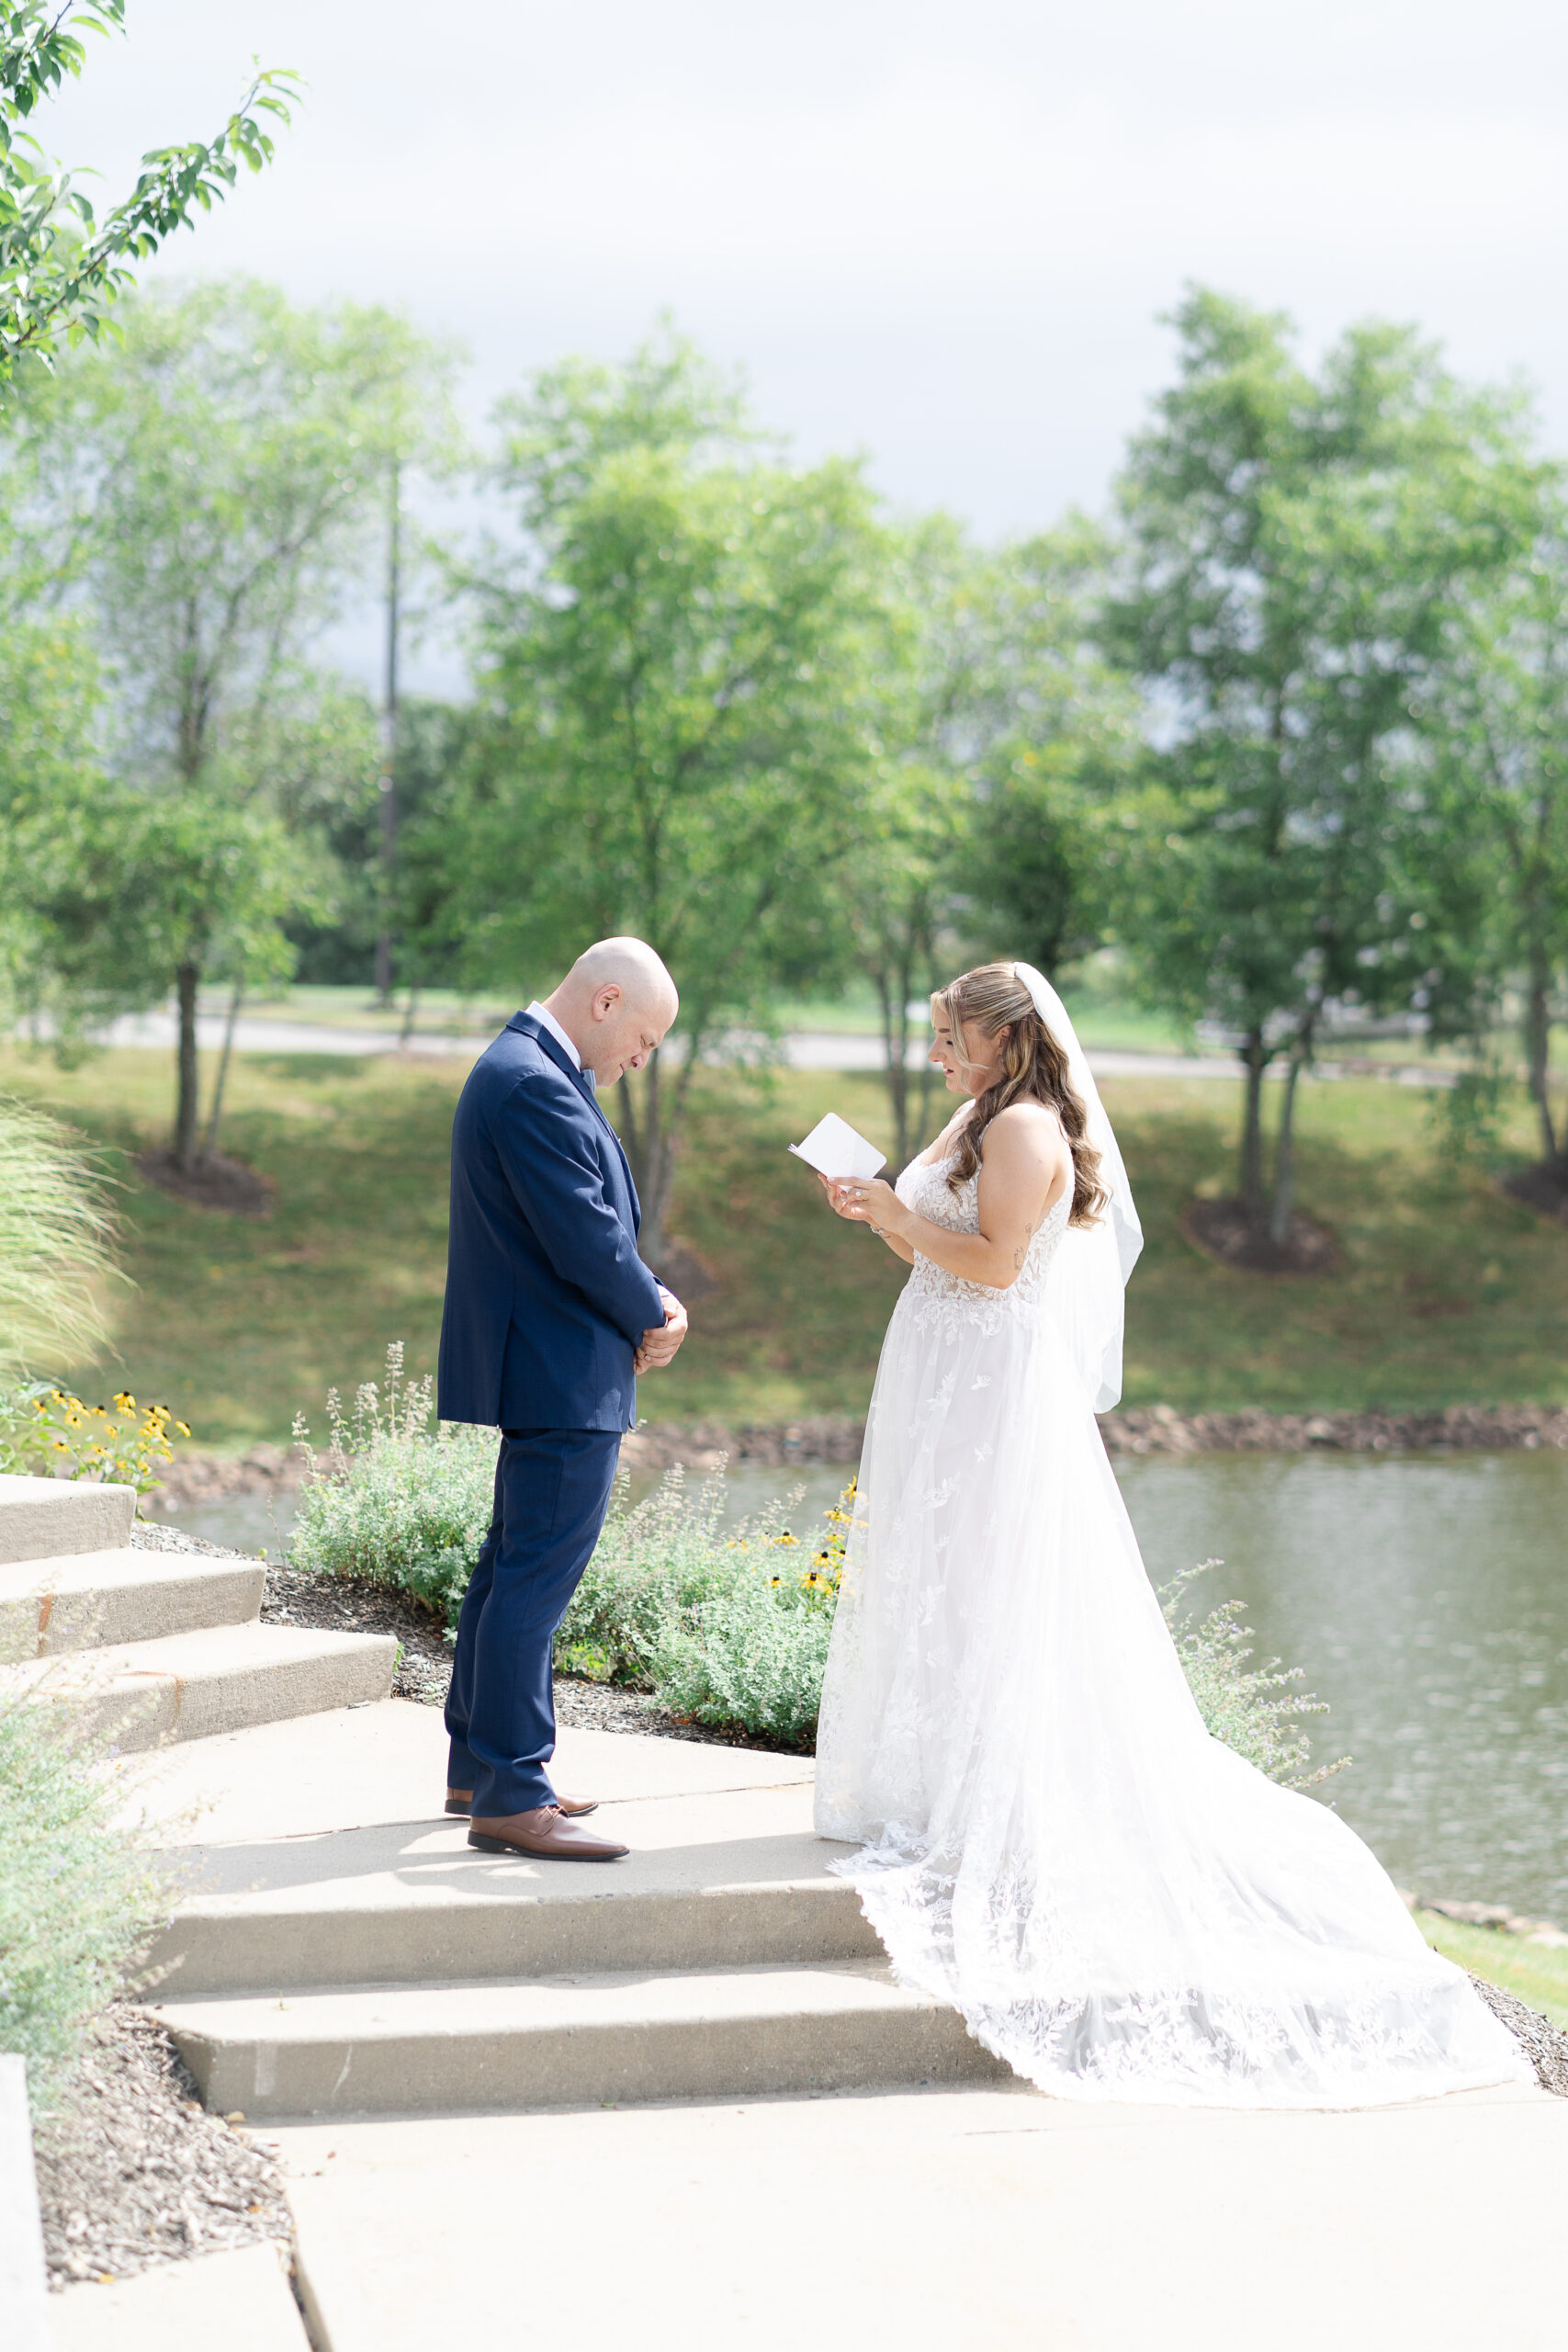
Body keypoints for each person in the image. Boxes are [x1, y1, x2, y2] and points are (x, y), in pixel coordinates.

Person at [811, 959, 1528, 2106]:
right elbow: (937, 1248)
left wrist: (904, 1213)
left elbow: (997, 1267)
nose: (939, 1050)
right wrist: (881, 1217)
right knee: (945, 1580)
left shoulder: (1029, 1129)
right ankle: (950, 1781)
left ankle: (1018, 1810)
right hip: (946, 1378)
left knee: (998, 1586)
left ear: (1006, 1038)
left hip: (996, 1386)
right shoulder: (977, 1117)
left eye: (953, 1035)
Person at [438, 938, 687, 1860]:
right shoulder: (533, 1080)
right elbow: (584, 1236)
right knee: (532, 1585)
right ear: (606, 999)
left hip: (547, 1365)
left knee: (512, 1570)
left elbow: (584, 1222)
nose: (641, 1057)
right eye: (646, 1036)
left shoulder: (525, 1067)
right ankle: (511, 1790)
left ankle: (479, 1766)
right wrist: (657, 1309)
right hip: (559, 1370)